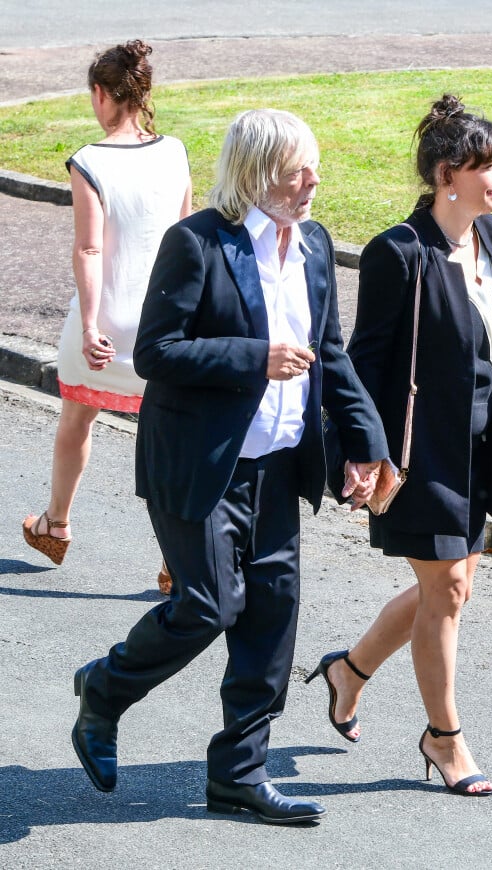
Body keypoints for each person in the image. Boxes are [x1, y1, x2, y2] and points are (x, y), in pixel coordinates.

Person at [70, 108, 387, 824]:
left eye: (314, 166)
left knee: (271, 619)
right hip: (199, 464)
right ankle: (105, 689)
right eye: (295, 170)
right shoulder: (199, 243)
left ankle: (239, 774)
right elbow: (156, 352)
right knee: (210, 603)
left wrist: (366, 444)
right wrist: (256, 358)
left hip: (279, 465)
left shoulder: (312, 246)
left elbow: (330, 354)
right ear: (254, 173)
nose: (312, 181)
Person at [307, 94, 492, 796]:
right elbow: (363, 359)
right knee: (449, 587)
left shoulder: (491, 238)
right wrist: (362, 450)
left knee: (449, 591)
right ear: (445, 174)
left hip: (476, 443)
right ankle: (445, 738)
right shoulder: (398, 252)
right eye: (488, 166)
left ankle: (349, 670)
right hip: (416, 448)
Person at [22, 40, 192, 594]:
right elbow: (187, 238)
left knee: (77, 419)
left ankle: (56, 522)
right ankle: (176, 558)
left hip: (108, 319)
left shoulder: (90, 161)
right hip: (163, 323)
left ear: (101, 94)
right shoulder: (176, 152)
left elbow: (90, 250)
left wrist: (92, 324)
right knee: (166, 436)